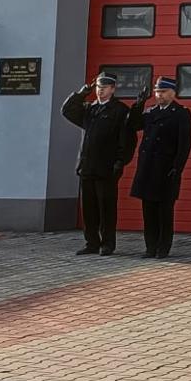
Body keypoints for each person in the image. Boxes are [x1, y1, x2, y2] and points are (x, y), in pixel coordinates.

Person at [61, 74, 137, 256]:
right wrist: (81, 93)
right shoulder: (90, 109)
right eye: (98, 87)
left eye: (105, 87)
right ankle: (91, 243)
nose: (100, 90)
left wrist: (120, 162)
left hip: (107, 168)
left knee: (106, 208)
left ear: (113, 89)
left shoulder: (119, 111)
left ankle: (108, 243)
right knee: (89, 209)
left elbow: (127, 140)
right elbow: (66, 110)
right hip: (87, 167)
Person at [127, 75, 191, 259]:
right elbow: (133, 125)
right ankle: (150, 247)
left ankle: (163, 247)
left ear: (173, 93)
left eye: (163, 92)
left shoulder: (181, 113)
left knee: (164, 211)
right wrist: (138, 105)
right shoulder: (150, 112)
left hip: (166, 168)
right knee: (148, 211)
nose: (159, 95)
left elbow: (184, 144)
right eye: (157, 92)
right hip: (148, 168)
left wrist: (177, 168)